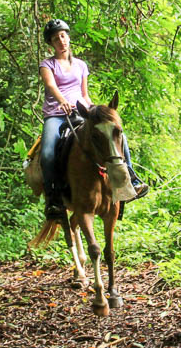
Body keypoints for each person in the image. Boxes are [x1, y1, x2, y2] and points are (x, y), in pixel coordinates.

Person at [38, 18, 148, 217]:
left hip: (81, 112)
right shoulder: (47, 64)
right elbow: (51, 86)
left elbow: (84, 93)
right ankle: (53, 199)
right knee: (47, 154)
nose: (61, 41)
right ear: (51, 44)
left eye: (63, 36)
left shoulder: (80, 65)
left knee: (116, 135)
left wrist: (93, 109)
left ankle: (131, 180)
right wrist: (62, 101)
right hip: (56, 115)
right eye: (55, 39)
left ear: (68, 37)